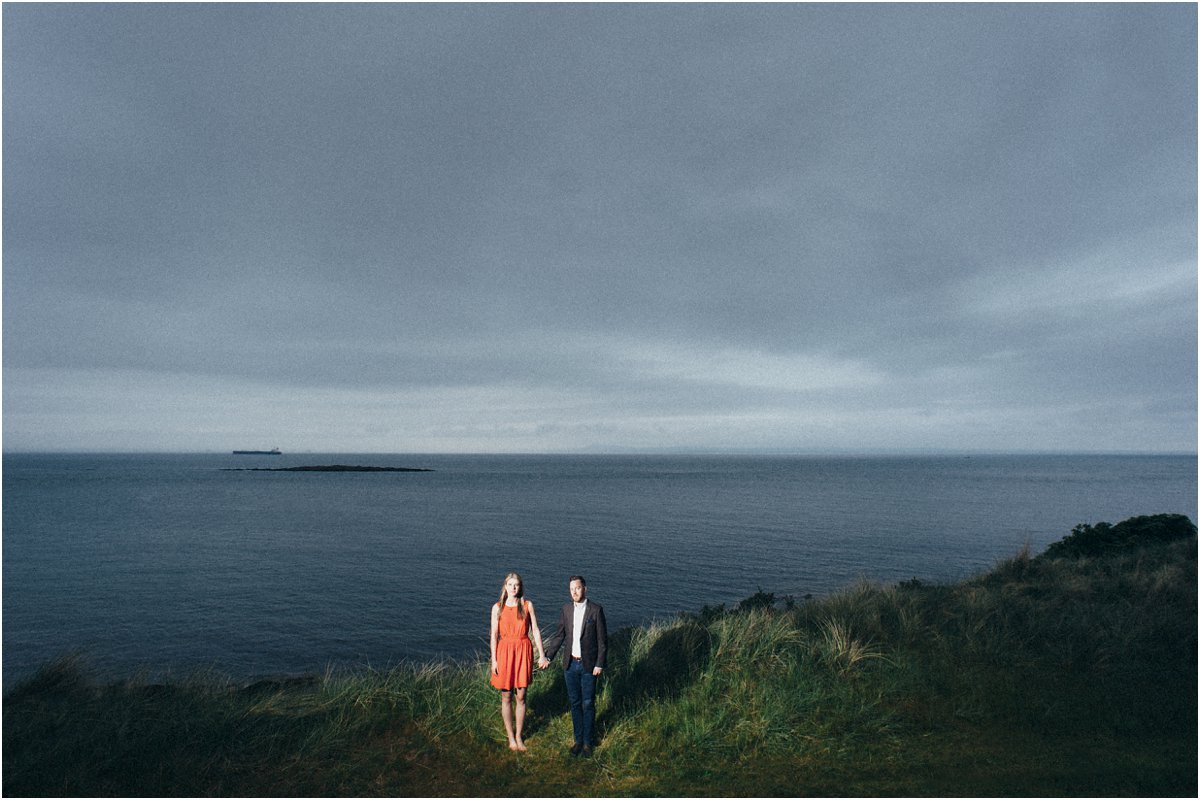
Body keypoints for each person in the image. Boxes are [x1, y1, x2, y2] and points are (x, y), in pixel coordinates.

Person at [540, 575, 607, 756]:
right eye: (571, 589)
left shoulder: (596, 610)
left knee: (588, 703)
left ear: (585, 589)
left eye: (577, 588)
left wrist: (599, 664)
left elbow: (602, 641)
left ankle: (588, 742)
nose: (574, 592)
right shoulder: (566, 610)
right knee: (575, 703)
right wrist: (548, 657)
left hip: (589, 665)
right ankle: (578, 740)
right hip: (570, 665)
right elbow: (559, 636)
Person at [489, 572, 546, 751]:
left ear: (520, 587)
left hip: (523, 650)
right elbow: (493, 635)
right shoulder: (497, 607)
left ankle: (519, 736)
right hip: (504, 652)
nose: (514, 588)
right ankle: (510, 737)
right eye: (510, 584)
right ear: (505, 587)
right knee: (506, 696)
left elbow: (535, 630)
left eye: (517, 585)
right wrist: (494, 660)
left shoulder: (527, 605)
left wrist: (542, 655)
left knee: (521, 696)